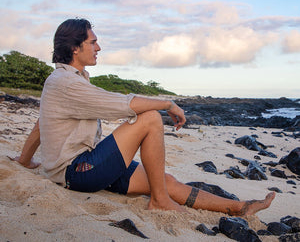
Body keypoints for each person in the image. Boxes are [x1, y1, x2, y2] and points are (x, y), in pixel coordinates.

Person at [11, 18, 275, 215]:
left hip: (90, 164)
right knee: (149, 117)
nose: (99, 47)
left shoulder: (72, 81)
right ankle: (159, 201)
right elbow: (120, 104)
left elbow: (41, 122)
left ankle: (238, 207)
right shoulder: (65, 82)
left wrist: (25, 160)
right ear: (75, 48)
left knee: (163, 180)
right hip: (77, 172)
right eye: (93, 42)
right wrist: (168, 103)